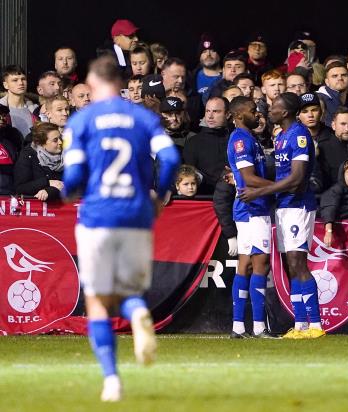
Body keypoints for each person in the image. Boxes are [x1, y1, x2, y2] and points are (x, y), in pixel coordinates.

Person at [61, 55, 180, 402]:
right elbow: (171, 158)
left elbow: (73, 176)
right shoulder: (143, 117)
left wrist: (68, 193)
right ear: (121, 82)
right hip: (137, 213)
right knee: (129, 291)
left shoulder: (82, 120)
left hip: (98, 215)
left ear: (94, 83)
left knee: (98, 300)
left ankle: (112, 380)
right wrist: (160, 195)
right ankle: (139, 312)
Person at [239, 92, 325, 339]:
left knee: (299, 264)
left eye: (275, 107)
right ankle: (300, 325)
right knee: (291, 265)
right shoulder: (281, 137)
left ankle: (316, 325)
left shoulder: (299, 135)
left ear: (285, 112)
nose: (270, 110)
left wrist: (262, 190)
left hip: (298, 205)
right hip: (285, 206)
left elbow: (297, 179)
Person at [227, 96, 277, 339]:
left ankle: (238, 327)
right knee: (260, 263)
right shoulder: (240, 139)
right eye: (252, 110)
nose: (257, 113)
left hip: (251, 207)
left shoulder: (250, 139)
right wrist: (281, 186)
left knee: (246, 264)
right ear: (238, 115)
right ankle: (258, 327)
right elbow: (248, 177)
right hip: (252, 208)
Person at [14, 122, 64, 201]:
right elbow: (20, 188)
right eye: (55, 140)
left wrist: (50, 191)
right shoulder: (28, 155)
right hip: (35, 209)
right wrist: (47, 182)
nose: (60, 142)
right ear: (42, 144)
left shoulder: (68, 155)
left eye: (60, 138)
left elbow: (70, 184)